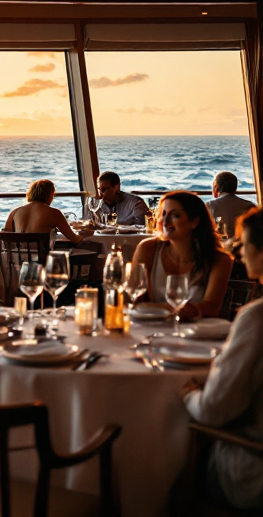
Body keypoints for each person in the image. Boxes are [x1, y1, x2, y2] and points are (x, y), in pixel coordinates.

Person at [182, 207, 263, 511]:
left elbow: (212, 411)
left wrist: (190, 395)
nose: (238, 251)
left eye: (244, 243)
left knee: (167, 462)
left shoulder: (256, 318)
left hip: (250, 473)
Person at [131, 191, 233, 318]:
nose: (165, 221)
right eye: (163, 214)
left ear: (194, 222)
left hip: (197, 329)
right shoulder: (147, 249)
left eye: (175, 215)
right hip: (152, 327)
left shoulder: (219, 260)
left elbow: (212, 307)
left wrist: (190, 310)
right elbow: (135, 301)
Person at [4, 179, 85, 244]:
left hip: (18, 257)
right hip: (42, 258)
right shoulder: (54, 213)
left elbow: (5, 236)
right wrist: (84, 237)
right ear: (51, 194)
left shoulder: (15, 212)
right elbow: (73, 238)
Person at [207, 171, 256, 237]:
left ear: (216, 187)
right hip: (245, 242)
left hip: (219, 243)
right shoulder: (250, 206)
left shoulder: (210, 206)